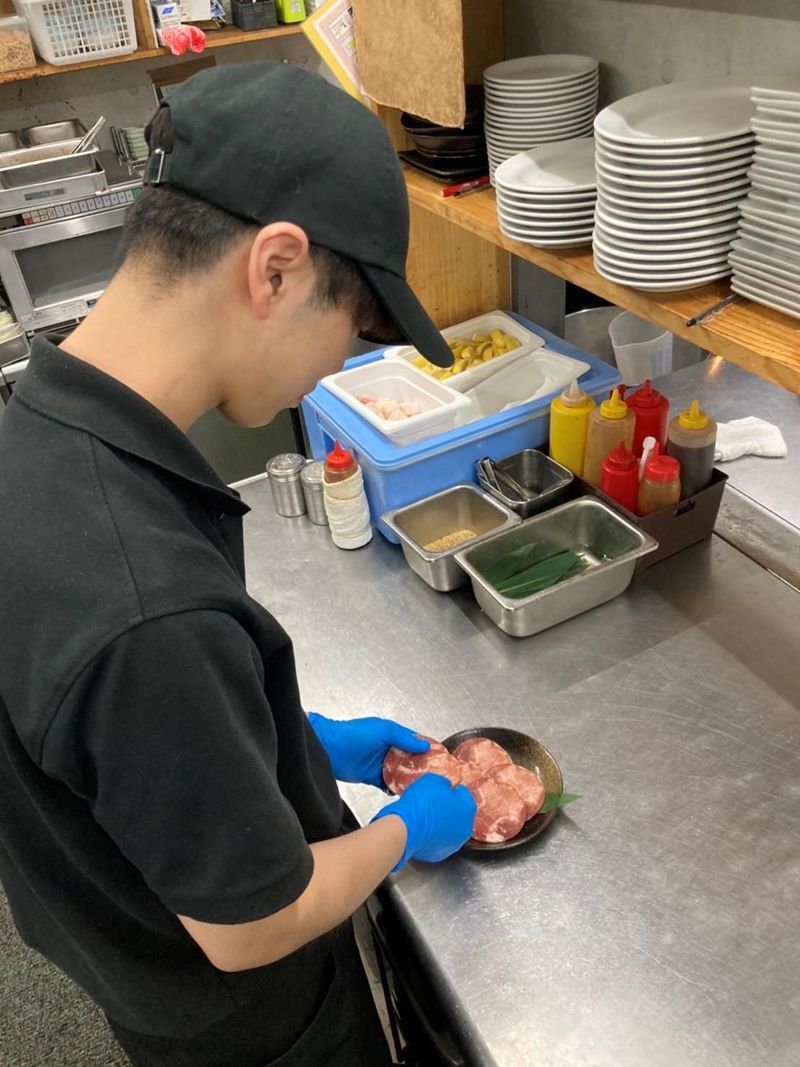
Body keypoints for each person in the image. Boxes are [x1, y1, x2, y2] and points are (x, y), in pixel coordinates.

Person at [0, 63, 476, 1067]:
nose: (339, 364)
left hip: (124, 931)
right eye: (353, 326)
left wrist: (287, 740)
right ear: (276, 269)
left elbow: (108, 747)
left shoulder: (37, 434)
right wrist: (406, 828)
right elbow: (250, 924)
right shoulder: (148, 606)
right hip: (244, 1021)